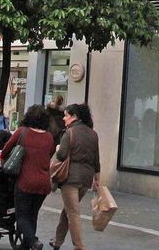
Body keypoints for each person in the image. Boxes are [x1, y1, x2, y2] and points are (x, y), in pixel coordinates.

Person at [4, 104, 57, 250]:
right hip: (44, 182)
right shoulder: (49, 137)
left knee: (21, 216)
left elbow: (6, 150)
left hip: (25, 181)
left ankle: (33, 241)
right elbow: (50, 154)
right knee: (33, 214)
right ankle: (26, 245)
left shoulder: (22, 132)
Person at [49, 103, 101, 250]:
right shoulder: (93, 134)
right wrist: (97, 180)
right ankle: (57, 240)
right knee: (68, 209)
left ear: (74, 117)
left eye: (66, 115)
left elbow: (61, 155)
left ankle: (79, 246)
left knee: (72, 212)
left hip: (70, 178)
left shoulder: (69, 133)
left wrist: (58, 147)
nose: (64, 118)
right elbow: (97, 161)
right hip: (86, 179)